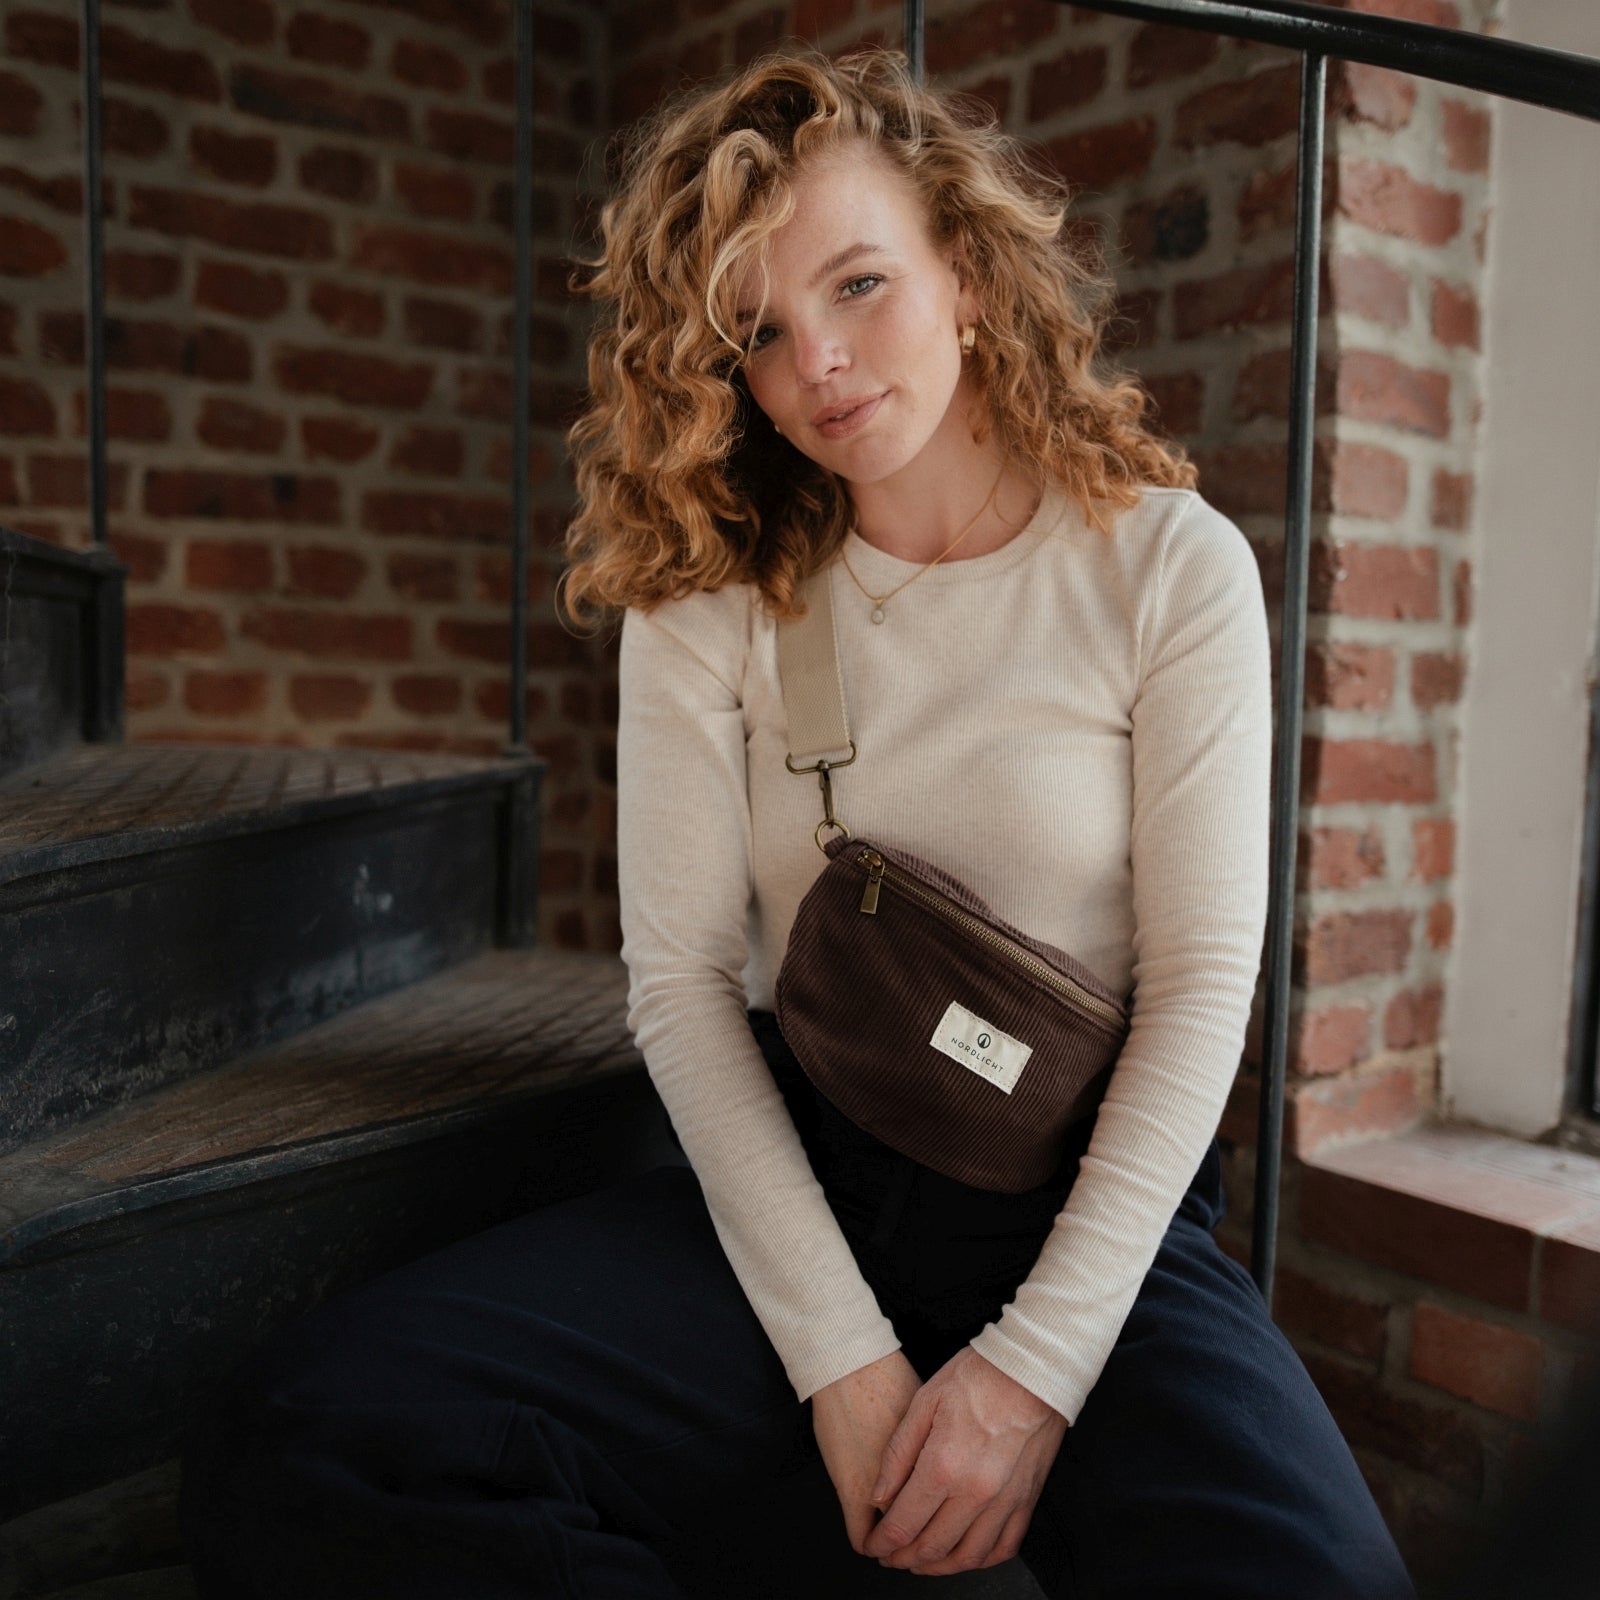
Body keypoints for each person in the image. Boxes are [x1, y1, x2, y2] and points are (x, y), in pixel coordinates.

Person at [181, 47, 1416, 1600]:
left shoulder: (1167, 568)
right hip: (806, 1187)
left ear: (969, 275)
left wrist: (1032, 1374)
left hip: (1087, 1201)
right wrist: (841, 1359)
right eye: (760, 330)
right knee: (310, 1435)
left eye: (858, 285)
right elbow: (683, 988)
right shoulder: (709, 599)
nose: (817, 363)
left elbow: (1201, 986)